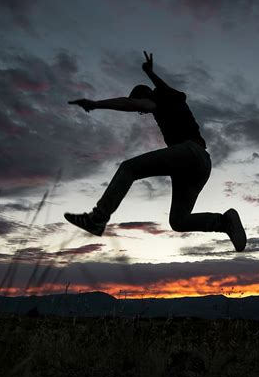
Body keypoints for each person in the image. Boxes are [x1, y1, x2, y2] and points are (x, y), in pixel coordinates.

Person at [64, 51, 246, 251]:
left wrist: (97, 104)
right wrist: (149, 72)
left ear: (145, 97)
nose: (144, 112)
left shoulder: (157, 99)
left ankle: (97, 218)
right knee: (178, 221)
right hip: (201, 165)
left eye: (143, 110)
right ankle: (224, 222)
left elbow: (131, 103)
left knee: (129, 168)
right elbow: (162, 87)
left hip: (189, 153)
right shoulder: (174, 97)